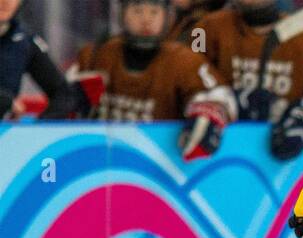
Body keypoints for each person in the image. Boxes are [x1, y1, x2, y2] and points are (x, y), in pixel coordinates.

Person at [69, 0, 236, 162]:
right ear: (121, 15)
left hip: (163, 166)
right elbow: (63, 102)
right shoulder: (96, 56)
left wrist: (209, 111)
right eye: (137, 11)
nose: (146, 20)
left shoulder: (184, 60)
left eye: (154, 12)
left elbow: (219, 95)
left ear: (167, 16)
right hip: (101, 163)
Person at [193, 0, 303, 159]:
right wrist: (222, 102)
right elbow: (189, 72)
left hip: (285, 165)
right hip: (219, 158)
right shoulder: (204, 28)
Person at [0, 0, 83, 120]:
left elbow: (63, 93)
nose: (6, 2)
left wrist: (41, 127)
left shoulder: (23, 40)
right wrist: (6, 102)